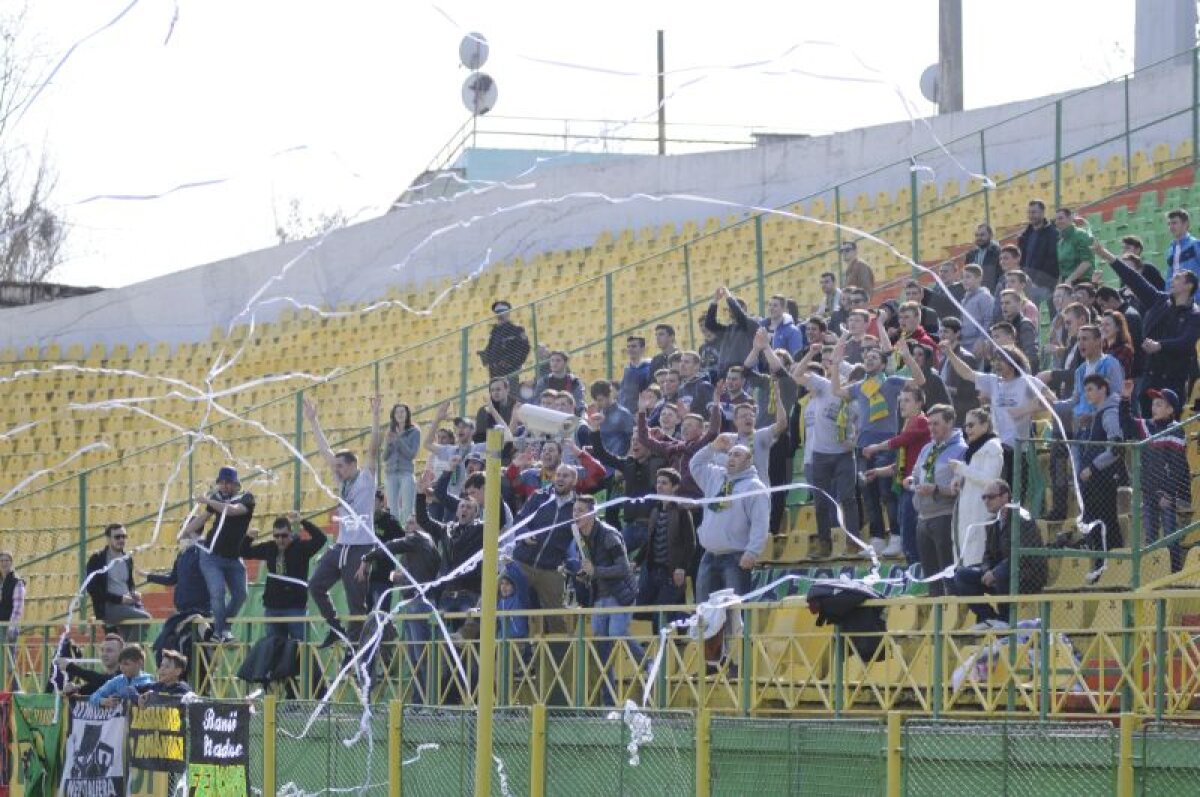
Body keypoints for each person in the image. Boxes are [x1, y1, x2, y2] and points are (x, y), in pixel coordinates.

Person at [303, 395, 383, 649]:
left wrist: (375, 417)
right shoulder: (343, 481)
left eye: (340, 466)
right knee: (315, 585)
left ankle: (359, 646)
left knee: (355, 601)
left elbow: (373, 449)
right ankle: (336, 628)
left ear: (352, 465)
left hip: (360, 547)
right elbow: (325, 453)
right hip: (341, 545)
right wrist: (313, 422)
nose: (335, 469)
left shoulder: (366, 478)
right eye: (335, 466)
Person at [835, 335, 923, 558]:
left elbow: (919, 380)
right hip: (862, 445)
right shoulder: (860, 386)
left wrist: (906, 356)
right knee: (868, 493)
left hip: (886, 444)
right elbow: (837, 392)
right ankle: (876, 539)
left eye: (875, 357)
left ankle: (896, 536)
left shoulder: (892, 382)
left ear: (883, 364)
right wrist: (835, 364)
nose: (869, 359)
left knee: (887, 492)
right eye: (867, 356)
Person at [1097, 238, 1200, 417]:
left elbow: (1186, 341)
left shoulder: (1195, 314)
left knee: (1168, 429)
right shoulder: (1159, 300)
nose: (1172, 280)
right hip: (1150, 377)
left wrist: (1160, 345)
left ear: (1189, 285)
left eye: (1177, 278)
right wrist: (1107, 256)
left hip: (1173, 382)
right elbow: (1134, 279)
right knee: (1146, 425)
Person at [357, 503, 441, 688]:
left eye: (412, 523)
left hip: (418, 601)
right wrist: (394, 576)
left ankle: (428, 701)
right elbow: (397, 575)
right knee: (414, 657)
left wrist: (367, 557)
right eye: (407, 524)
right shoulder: (419, 547)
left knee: (420, 656)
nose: (407, 527)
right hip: (413, 600)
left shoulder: (419, 539)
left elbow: (391, 546)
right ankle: (420, 702)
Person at [567, 495, 642, 699]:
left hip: (620, 594)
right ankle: (608, 699)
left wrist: (595, 571)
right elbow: (592, 569)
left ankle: (647, 663)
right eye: (574, 511)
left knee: (616, 632)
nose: (576, 515)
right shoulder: (579, 536)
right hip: (599, 595)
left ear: (592, 513)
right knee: (603, 648)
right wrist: (584, 575)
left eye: (580, 510)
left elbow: (624, 568)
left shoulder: (609, 535)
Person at [953, 480, 1047, 630]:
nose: (986, 501)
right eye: (983, 497)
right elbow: (988, 555)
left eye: (990, 497)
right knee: (960, 576)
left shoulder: (1023, 519)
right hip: (1001, 573)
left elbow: (1024, 556)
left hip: (1028, 575)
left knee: (1003, 577)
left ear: (1005, 497)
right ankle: (989, 618)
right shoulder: (992, 523)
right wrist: (986, 571)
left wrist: (996, 572)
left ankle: (1005, 620)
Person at [182, 466, 256, 644]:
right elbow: (204, 518)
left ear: (236, 484)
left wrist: (207, 500)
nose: (224, 486)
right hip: (211, 556)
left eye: (228, 483)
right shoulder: (216, 500)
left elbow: (233, 510)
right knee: (218, 592)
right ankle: (221, 632)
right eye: (222, 482)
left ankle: (221, 628)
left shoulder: (247, 498)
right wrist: (187, 531)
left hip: (233, 557)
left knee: (241, 595)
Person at [1121, 387, 1190, 572]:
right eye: (1153, 403)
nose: (1154, 406)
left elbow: (1178, 469)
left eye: (1160, 404)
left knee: (1169, 535)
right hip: (1149, 491)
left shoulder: (1176, 430)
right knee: (1150, 538)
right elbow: (1126, 425)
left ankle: (1174, 572)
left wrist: (1168, 493)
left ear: (1170, 410)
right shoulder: (1147, 426)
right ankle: (1154, 572)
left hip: (1168, 494)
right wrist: (1125, 400)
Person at [863, 385, 930, 565]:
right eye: (900, 400)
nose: (902, 404)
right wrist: (878, 472)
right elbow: (901, 464)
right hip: (904, 487)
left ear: (919, 403)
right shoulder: (909, 424)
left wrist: (875, 447)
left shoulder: (922, 422)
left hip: (915, 487)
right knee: (907, 537)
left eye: (907, 400)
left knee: (910, 538)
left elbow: (899, 442)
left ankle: (917, 573)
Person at [905, 404, 967, 596]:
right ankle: (936, 618)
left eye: (936, 424)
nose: (931, 428)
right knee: (932, 577)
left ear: (949, 422)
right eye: (930, 423)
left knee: (948, 573)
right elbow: (915, 474)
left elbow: (963, 489)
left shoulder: (962, 450)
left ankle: (952, 615)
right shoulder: (927, 448)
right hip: (922, 518)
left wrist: (937, 489)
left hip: (945, 517)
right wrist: (911, 481)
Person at [511, 464, 580, 635]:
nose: (560, 479)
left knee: (557, 617)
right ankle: (465, 633)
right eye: (558, 475)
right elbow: (519, 521)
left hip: (550, 569)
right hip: (522, 562)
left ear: (574, 481)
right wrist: (525, 534)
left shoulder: (578, 507)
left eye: (565, 476)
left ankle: (562, 659)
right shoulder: (538, 497)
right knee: (494, 593)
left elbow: (582, 536)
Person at [413, 472, 484, 630]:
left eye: (469, 507)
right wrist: (420, 494)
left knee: (468, 634)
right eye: (462, 506)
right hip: (447, 593)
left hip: (470, 592)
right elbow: (423, 520)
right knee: (438, 633)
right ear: (457, 512)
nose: (464, 509)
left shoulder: (482, 529)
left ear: (476, 513)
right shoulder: (447, 529)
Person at [242, 512, 327, 641]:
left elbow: (321, 539)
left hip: (295, 608)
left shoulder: (301, 548)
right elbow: (244, 552)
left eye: (284, 536)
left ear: (290, 533)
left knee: (300, 649)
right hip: (272, 608)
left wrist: (303, 521)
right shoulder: (269, 547)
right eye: (276, 536)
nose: (280, 540)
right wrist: (248, 538)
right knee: (274, 649)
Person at [1076, 374, 1127, 572]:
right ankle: (1104, 566)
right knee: (1097, 523)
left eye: (1090, 389)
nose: (1086, 393)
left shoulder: (1110, 411)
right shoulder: (1101, 411)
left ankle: (1111, 567)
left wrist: (1093, 467)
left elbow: (1116, 447)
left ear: (1103, 389)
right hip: (1097, 480)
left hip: (1103, 479)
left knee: (1105, 523)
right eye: (1085, 389)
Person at [635, 469, 696, 631]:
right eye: (658, 482)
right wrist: (636, 561)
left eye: (664, 483)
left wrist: (681, 567)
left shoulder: (682, 511)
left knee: (660, 615)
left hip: (672, 573)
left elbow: (690, 543)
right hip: (653, 571)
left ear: (675, 487)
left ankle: (664, 652)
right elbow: (649, 540)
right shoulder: (655, 510)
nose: (659, 486)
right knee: (641, 610)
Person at [950, 408, 1005, 569]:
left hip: (981, 512)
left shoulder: (993, 447)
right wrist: (958, 479)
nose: (967, 430)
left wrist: (962, 469)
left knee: (976, 557)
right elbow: (973, 475)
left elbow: (990, 479)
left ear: (985, 425)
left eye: (971, 425)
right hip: (967, 512)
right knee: (964, 556)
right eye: (965, 426)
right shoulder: (972, 449)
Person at [140, 531, 210, 658]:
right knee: (168, 645)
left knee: (189, 646)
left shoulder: (204, 551)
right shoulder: (182, 554)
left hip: (200, 608)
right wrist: (149, 576)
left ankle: (204, 630)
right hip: (182, 610)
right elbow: (172, 579)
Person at [85, 523, 151, 641]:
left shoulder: (127, 558)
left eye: (124, 536)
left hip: (127, 606)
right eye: (117, 537)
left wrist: (133, 594)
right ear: (108, 539)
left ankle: (124, 654)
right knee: (145, 618)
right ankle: (129, 655)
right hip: (109, 607)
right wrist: (119, 599)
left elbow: (129, 584)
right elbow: (92, 589)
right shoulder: (97, 558)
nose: (121, 540)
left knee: (126, 637)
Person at [704, 286, 759, 379]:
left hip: (744, 374)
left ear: (744, 308)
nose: (730, 311)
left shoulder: (751, 324)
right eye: (729, 309)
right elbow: (709, 324)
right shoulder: (728, 329)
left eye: (732, 309)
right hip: (726, 374)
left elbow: (740, 315)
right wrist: (715, 301)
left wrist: (728, 296)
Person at [381, 403, 421, 524]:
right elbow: (384, 457)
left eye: (402, 411)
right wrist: (388, 443)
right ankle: (396, 535)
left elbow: (411, 454)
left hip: (406, 472)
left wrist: (398, 439)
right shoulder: (390, 432)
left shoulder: (414, 431)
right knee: (393, 509)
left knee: (408, 507)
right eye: (397, 412)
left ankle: (408, 533)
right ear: (393, 415)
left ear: (407, 414)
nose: (400, 414)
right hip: (391, 473)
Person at [478, 299, 531, 389]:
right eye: (497, 312)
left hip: (510, 371)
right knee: (497, 397)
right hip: (495, 372)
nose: (500, 314)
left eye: (502, 311)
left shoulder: (516, 329)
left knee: (510, 395)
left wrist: (513, 363)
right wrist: (486, 359)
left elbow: (525, 348)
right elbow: (491, 350)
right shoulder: (494, 331)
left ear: (508, 312)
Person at [937, 318, 980, 423]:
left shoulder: (966, 358)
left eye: (946, 331)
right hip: (946, 411)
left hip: (960, 414)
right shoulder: (943, 359)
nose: (942, 335)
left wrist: (945, 389)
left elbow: (971, 391)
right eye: (941, 331)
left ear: (957, 334)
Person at [1017, 200, 1059, 306]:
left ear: (1043, 212)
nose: (1031, 215)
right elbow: (1021, 259)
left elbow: (1052, 260)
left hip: (1044, 285)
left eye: (1034, 212)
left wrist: (1036, 281)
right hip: (1026, 283)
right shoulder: (1025, 235)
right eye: (1029, 212)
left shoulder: (1053, 233)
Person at [58, 634, 123, 697]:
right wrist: (75, 690)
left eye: (109, 650)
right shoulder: (100, 680)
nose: (104, 654)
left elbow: (103, 681)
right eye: (102, 650)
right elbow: (94, 685)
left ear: (121, 654)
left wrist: (71, 667)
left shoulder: (124, 676)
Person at [590, 379, 635, 457]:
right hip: (602, 462)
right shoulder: (598, 416)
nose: (598, 403)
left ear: (610, 395)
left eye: (600, 400)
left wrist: (626, 462)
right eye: (596, 400)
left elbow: (634, 441)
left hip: (618, 463)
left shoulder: (624, 414)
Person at [958, 264, 994, 354]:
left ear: (979, 278)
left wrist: (982, 340)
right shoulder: (964, 299)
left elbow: (989, 320)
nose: (964, 280)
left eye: (968, 277)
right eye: (963, 277)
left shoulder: (984, 297)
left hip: (976, 343)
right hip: (964, 342)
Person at [1054, 208, 1094, 286]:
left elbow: (1086, 262)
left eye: (1061, 218)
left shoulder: (1081, 235)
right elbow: (1062, 270)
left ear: (1070, 219)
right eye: (1056, 219)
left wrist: (1069, 280)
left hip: (1082, 283)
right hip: (1067, 283)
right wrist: (1059, 286)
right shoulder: (1060, 242)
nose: (1057, 222)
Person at [618, 336, 653, 414]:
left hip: (640, 414)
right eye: (628, 346)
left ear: (642, 349)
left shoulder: (649, 368)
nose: (630, 349)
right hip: (626, 412)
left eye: (634, 346)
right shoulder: (627, 369)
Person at [1164, 208, 1200, 282]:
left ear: (1185, 224)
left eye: (1174, 223)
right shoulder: (1170, 250)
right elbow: (1170, 276)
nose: (1171, 227)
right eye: (1169, 224)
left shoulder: (1195, 244)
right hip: (1176, 293)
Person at [965, 223, 1001, 289]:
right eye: (977, 235)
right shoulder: (970, 255)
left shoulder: (997, 253)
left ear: (991, 235)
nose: (979, 238)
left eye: (982, 235)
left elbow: (1000, 275)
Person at [1099, 310, 1135, 377]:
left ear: (1118, 328)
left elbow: (1114, 373)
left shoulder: (1125, 350)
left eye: (1107, 325)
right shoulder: (1102, 348)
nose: (1102, 328)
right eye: (1101, 325)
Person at [0, 550, 24, 645]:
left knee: (8, 657)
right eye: (1, 561)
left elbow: (17, 608)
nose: (4, 563)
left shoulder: (17, 582)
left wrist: (11, 627)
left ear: (11, 562)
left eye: (6, 560)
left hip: (8, 626)